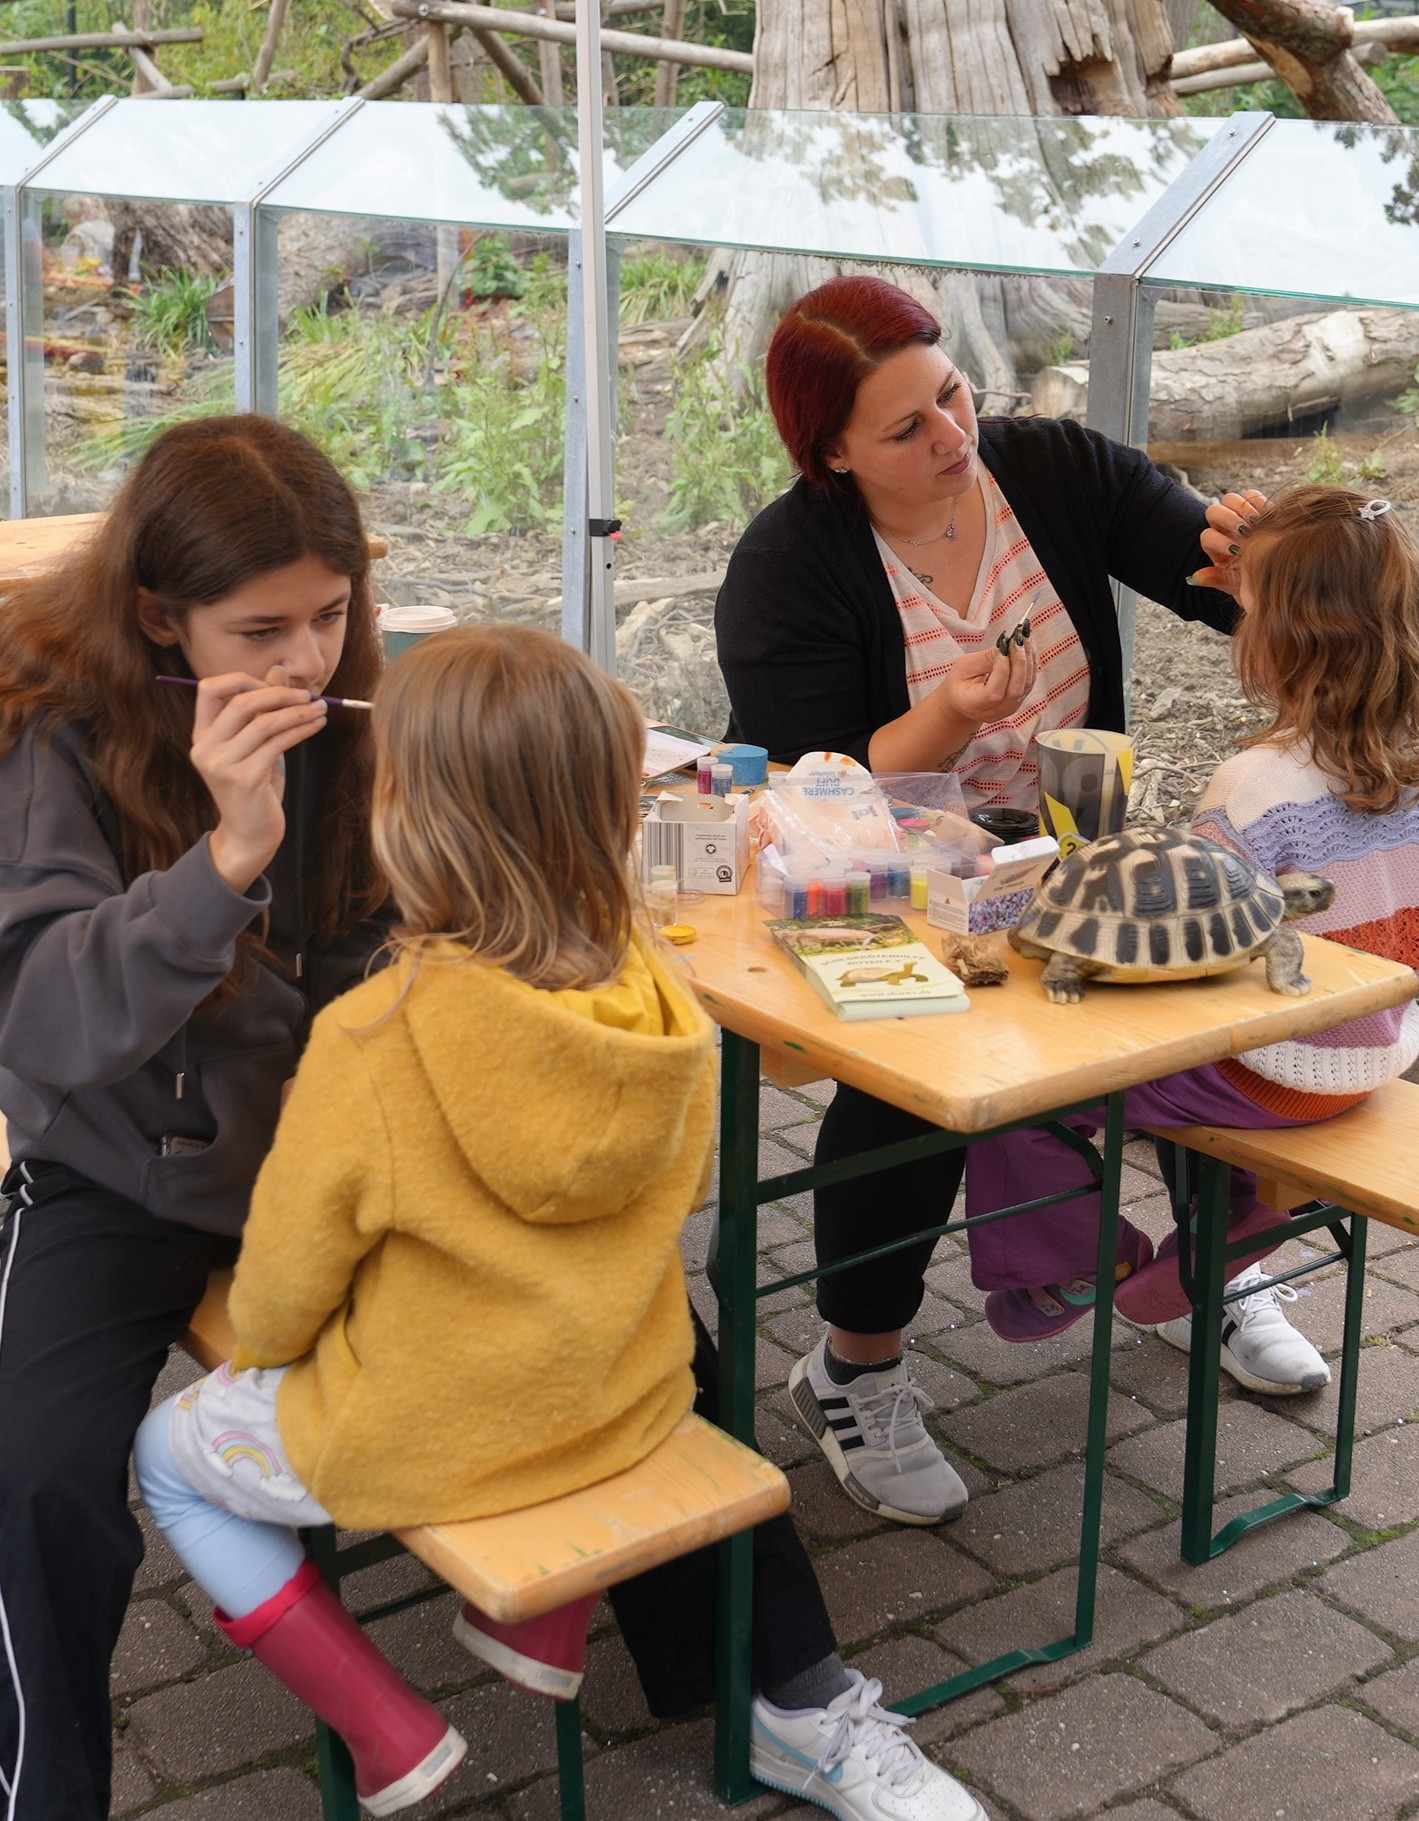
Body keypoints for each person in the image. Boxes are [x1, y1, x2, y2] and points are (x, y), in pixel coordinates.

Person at [132, 622, 992, 1821]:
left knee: (168, 1457)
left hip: (441, 1429)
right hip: (617, 1399)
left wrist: (257, 1332)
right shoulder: (667, 999)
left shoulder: (373, 1041)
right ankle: (535, 1615)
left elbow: (280, 1299)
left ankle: (386, 1728)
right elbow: (652, 1215)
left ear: (405, 820)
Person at [715, 273, 1252, 1525]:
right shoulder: (786, 566)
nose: (952, 436)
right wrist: (948, 715)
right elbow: (813, 786)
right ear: (832, 454)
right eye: (905, 430)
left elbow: (1204, 570)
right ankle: (854, 1366)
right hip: (871, 877)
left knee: (1179, 997)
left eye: (952, 393)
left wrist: (1259, 550)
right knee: (913, 1070)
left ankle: (1211, 1270)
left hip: (1058, 849)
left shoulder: (1054, 469)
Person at [0, 415, 389, 1821]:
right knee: (34, 1472)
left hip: (331, 1164)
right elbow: (40, 1021)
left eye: (331, 616)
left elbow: (399, 939)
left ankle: (769, 1689)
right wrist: (226, 857)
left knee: (649, 1333)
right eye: (260, 628)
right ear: (162, 616)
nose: (304, 662)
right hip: (123, 1175)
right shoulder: (60, 736)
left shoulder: (362, 719)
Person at [971, 484, 1419, 1392]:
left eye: (1244, 603)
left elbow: (1185, 949)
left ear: (1277, 637)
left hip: (1275, 1074)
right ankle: (1236, 1222)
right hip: (1381, 1049)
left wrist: (1010, 910)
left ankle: (1064, 1266)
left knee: (1018, 1081)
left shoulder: (1254, 784)